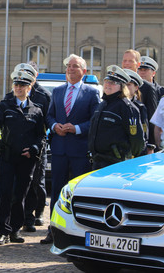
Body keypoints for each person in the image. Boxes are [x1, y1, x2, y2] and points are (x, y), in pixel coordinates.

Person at [0, 68, 44, 246]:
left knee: (19, 196)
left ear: (29, 87)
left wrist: (34, 148)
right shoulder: (5, 105)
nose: (18, 88)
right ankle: (2, 232)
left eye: (22, 85)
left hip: (26, 160)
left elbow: (41, 136)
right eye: (16, 85)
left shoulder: (36, 110)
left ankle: (15, 230)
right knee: (5, 195)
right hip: (7, 157)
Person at [41, 54, 100, 244]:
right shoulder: (57, 91)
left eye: (75, 66)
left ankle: (77, 231)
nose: (71, 69)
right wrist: (54, 126)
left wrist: (77, 128)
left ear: (84, 71)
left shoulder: (91, 93)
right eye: (68, 66)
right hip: (59, 148)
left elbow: (95, 121)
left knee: (78, 192)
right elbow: (49, 116)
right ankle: (53, 229)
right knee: (57, 191)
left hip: (79, 151)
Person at [88, 65, 145, 170]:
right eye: (106, 81)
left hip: (116, 163)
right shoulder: (103, 104)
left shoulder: (126, 107)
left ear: (122, 86)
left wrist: (128, 157)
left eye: (113, 83)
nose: (108, 85)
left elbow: (136, 140)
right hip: (98, 161)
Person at [21, 61, 50, 232]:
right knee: (23, 183)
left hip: (38, 145)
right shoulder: (15, 91)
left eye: (29, 72)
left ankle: (38, 212)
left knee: (37, 184)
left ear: (36, 75)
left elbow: (48, 121)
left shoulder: (44, 95)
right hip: (20, 144)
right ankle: (27, 217)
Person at [136, 55, 164, 144]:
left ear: (153, 73)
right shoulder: (134, 90)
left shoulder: (163, 92)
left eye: (145, 70)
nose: (142, 73)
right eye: (140, 70)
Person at [124, 68, 152, 153]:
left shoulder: (139, 107)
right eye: (123, 85)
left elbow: (143, 134)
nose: (125, 88)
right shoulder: (115, 105)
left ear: (136, 87)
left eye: (129, 85)